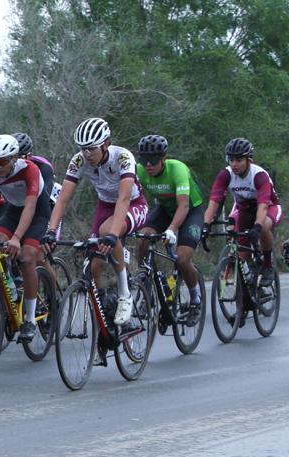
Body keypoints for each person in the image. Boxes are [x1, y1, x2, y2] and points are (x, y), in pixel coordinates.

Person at [42, 117, 148, 326]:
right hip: (105, 205)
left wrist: (112, 234)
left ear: (106, 143)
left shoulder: (123, 158)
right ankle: (106, 309)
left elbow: (124, 198)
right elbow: (63, 199)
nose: (87, 154)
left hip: (133, 204)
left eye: (92, 149)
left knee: (108, 230)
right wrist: (51, 231)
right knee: (93, 266)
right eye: (83, 149)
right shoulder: (79, 160)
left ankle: (125, 294)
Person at [0, 134, 52, 342]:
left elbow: (30, 207)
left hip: (38, 213)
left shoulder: (30, 170)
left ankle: (29, 319)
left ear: (14, 159)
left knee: (26, 258)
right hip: (13, 212)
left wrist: (16, 238)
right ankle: (9, 286)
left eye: (3, 162)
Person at [134, 134, 206, 324]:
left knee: (182, 258)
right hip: (165, 209)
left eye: (154, 160)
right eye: (144, 160)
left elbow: (183, 206)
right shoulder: (139, 171)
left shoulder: (178, 170)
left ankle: (195, 299)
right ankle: (146, 285)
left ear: (163, 159)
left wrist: (172, 229)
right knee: (143, 237)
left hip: (191, 210)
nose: (148, 165)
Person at [203, 137, 281, 285]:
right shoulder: (226, 174)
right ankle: (248, 280)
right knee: (238, 242)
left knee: (263, 227)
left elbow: (263, 205)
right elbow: (214, 202)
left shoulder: (259, 175)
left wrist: (257, 226)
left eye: (239, 160)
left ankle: (268, 265)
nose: (234, 164)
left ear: (249, 160)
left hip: (269, 206)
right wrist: (206, 225)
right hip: (244, 208)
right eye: (231, 160)